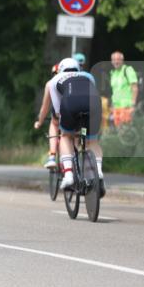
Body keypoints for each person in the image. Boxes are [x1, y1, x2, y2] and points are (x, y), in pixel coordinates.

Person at [40, 57, 105, 192]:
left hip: (71, 104)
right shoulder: (88, 75)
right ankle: (98, 171)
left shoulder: (54, 80)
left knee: (65, 136)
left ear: (60, 69)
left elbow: (57, 111)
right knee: (92, 140)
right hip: (94, 105)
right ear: (78, 68)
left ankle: (69, 175)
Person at [35, 63, 62, 169]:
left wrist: (40, 122)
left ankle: (52, 156)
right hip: (77, 112)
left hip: (59, 114)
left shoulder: (51, 83)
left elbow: (45, 107)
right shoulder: (75, 79)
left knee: (53, 124)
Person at [108, 51, 139, 128]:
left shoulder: (128, 70)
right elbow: (114, 91)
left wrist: (133, 105)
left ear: (122, 60)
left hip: (126, 107)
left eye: (118, 59)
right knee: (118, 131)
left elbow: (134, 88)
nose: (116, 62)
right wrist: (112, 106)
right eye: (114, 59)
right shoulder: (113, 73)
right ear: (111, 61)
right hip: (116, 108)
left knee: (126, 130)